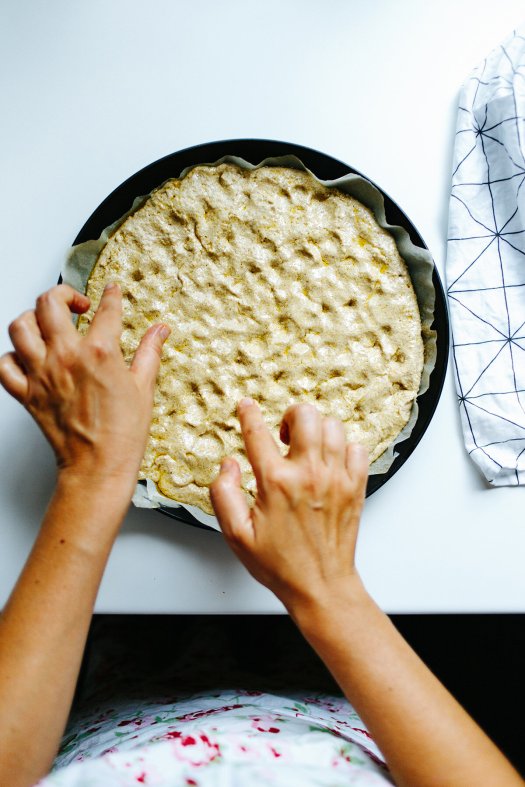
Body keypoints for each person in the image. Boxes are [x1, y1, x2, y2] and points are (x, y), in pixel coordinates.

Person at [0, 283, 522, 787]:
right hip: (342, 701)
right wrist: (327, 589)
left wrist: (92, 472)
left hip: (110, 711)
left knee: (147, 647)